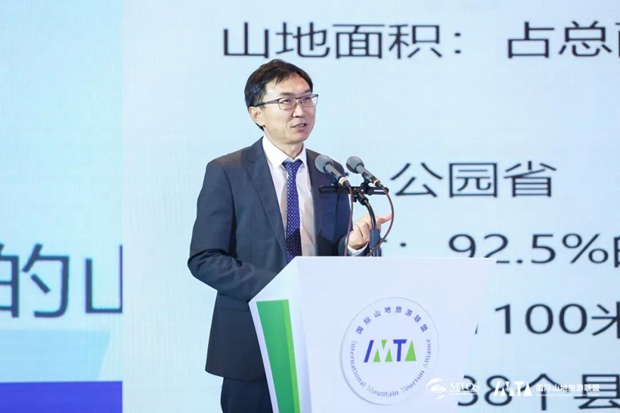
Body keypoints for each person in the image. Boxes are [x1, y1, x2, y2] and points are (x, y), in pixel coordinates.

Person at [188, 59, 390, 413]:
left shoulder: (330, 171)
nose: (300, 110)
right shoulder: (227, 171)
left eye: (307, 98)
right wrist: (282, 287)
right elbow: (205, 259)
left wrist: (353, 246)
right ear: (257, 114)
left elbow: (331, 253)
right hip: (252, 339)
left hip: (322, 339)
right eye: (286, 101)